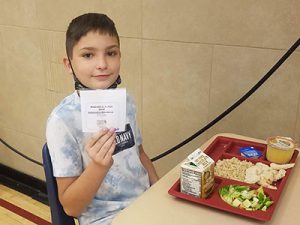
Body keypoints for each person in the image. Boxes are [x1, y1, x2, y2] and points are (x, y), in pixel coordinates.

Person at [46, 13, 159, 225]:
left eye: (111, 53)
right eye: (88, 55)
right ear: (68, 64)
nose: (102, 64)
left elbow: (140, 153)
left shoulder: (127, 102)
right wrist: (98, 166)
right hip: (105, 218)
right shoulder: (61, 121)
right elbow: (71, 207)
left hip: (146, 204)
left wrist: (159, 190)